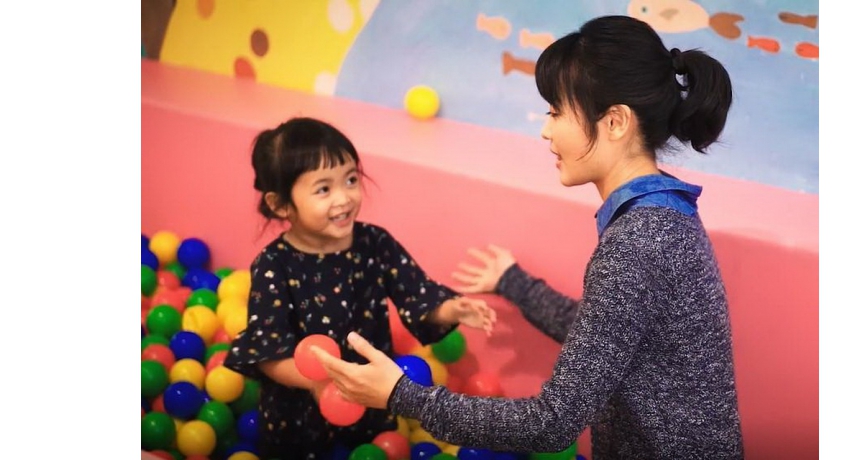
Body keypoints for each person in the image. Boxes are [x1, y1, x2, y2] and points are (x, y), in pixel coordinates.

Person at [311, 14, 745, 460]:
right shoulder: (661, 212)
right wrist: (514, 282)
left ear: (615, 122)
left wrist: (404, 396)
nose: (545, 129)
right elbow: (606, 335)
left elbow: (551, 424)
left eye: (556, 112)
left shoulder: (640, 241)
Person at [221, 117, 498, 459]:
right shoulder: (274, 264)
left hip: (370, 397)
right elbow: (267, 353)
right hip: (299, 413)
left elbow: (416, 293)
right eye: (324, 189)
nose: (344, 198)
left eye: (350, 180)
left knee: (373, 451)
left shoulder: (374, 242)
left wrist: (452, 308)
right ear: (280, 205)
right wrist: (320, 385)